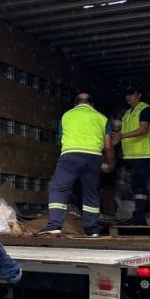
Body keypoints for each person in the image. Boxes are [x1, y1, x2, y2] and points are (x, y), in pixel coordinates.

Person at [39, 92, 115, 237]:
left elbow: (62, 139)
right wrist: (110, 163)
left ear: (76, 104)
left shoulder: (66, 116)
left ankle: (54, 225)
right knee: (91, 193)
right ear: (92, 104)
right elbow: (108, 145)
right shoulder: (102, 118)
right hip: (94, 158)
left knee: (58, 188)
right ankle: (92, 230)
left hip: (71, 155)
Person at [111, 86, 150, 225]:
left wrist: (122, 135)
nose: (128, 97)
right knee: (136, 186)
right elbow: (121, 131)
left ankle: (140, 217)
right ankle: (137, 215)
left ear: (139, 95)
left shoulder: (145, 109)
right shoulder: (128, 113)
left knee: (140, 186)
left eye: (131, 94)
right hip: (131, 155)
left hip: (141, 153)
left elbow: (143, 129)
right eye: (126, 95)